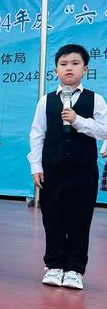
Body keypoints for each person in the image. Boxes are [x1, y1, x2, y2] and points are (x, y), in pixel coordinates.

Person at [28, 44, 107, 290]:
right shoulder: (46, 100)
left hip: (83, 169)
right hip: (52, 167)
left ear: (85, 69)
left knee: (80, 218)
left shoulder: (96, 99)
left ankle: (74, 269)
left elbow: (104, 130)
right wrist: (36, 166)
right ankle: (53, 265)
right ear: (56, 70)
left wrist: (78, 121)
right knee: (52, 216)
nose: (69, 68)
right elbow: (37, 133)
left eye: (74, 63)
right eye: (63, 64)